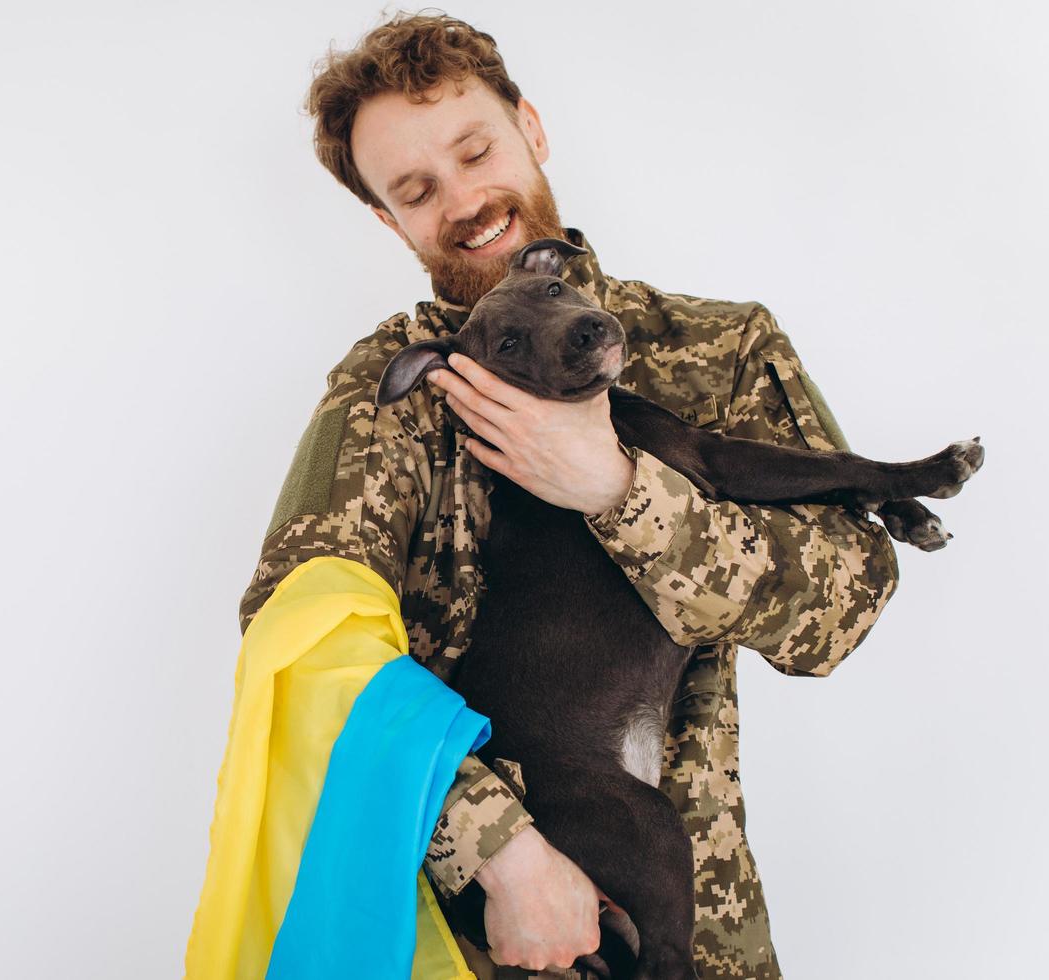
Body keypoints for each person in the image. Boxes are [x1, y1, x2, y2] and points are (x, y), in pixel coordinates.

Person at [228, 12, 900, 978]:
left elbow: (844, 610)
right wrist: (499, 851)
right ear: (389, 219)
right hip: (482, 934)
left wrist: (622, 491)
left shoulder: (721, 347)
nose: (463, 200)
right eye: (416, 190)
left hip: (696, 929)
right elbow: (301, 644)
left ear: (530, 128)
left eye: (476, 150)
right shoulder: (390, 391)